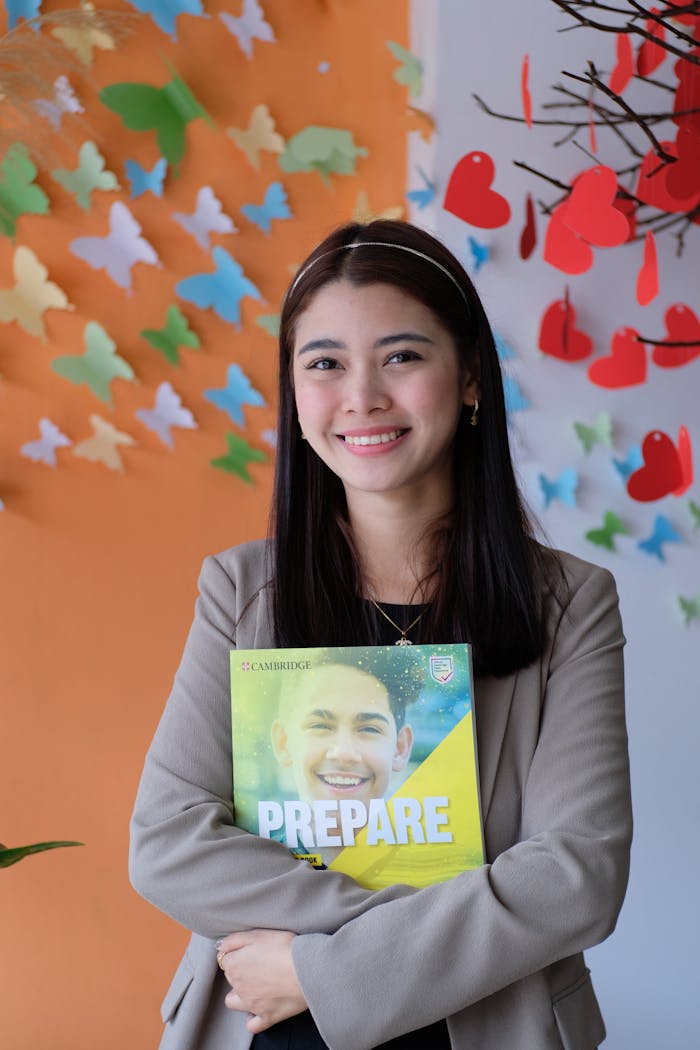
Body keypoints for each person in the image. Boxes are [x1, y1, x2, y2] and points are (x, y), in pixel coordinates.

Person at [129, 219, 632, 1050]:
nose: (361, 396)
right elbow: (169, 843)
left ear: (470, 375)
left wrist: (328, 967)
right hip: (266, 1018)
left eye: (401, 356)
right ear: (294, 393)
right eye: (324, 363)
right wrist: (410, 932)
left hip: (482, 1026)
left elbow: (578, 877)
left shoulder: (571, 602)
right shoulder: (240, 589)